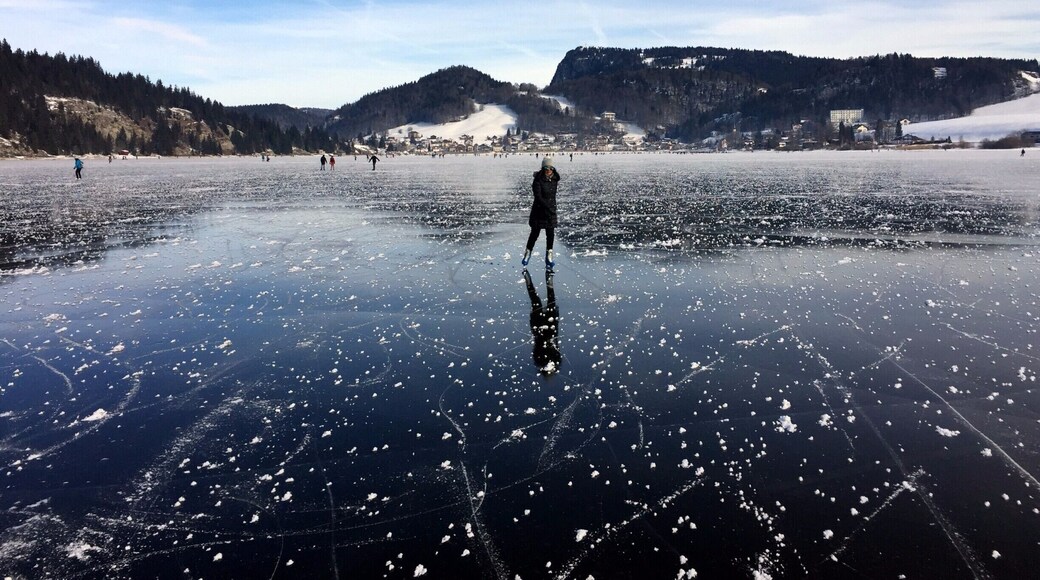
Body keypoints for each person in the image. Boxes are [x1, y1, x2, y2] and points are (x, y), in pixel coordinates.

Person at [522, 157, 560, 271]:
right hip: (539, 210)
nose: (548, 169)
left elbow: (552, 197)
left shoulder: (554, 180)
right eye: (545, 167)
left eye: (550, 167)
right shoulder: (537, 180)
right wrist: (547, 208)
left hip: (551, 210)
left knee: (550, 234)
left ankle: (549, 256)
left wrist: (551, 209)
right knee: (535, 233)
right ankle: (528, 253)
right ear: (542, 168)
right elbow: (538, 197)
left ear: (553, 168)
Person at [524, 269, 561, 376]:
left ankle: (546, 281)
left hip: (544, 330)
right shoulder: (540, 360)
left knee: (541, 302)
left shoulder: (541, 360)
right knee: (539, 302)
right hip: (545, 330)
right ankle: (544, 281)